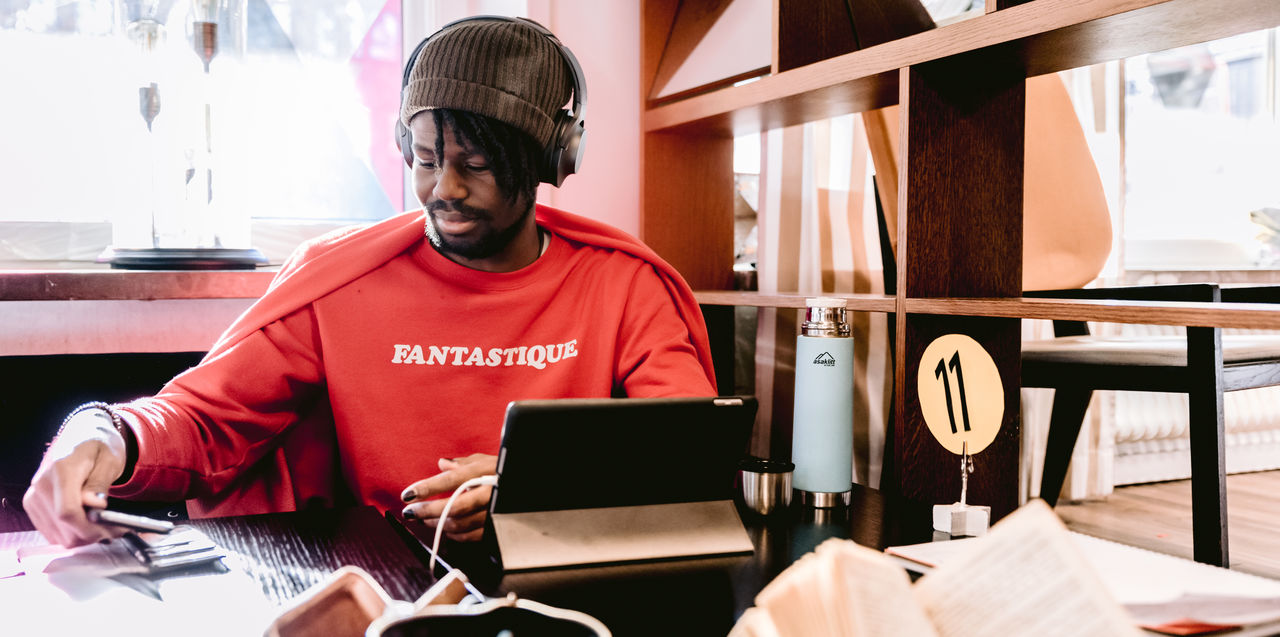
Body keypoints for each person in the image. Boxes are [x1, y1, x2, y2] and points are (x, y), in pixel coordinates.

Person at [24, 16, 716, 548]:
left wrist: (534, 488)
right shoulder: (341, 279)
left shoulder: (625, 286)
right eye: (422, 159)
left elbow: (682, 451)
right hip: (380, 589)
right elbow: (206, 420)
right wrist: (102, 431)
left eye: (473, 164)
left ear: (548, 159)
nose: (441, 188)